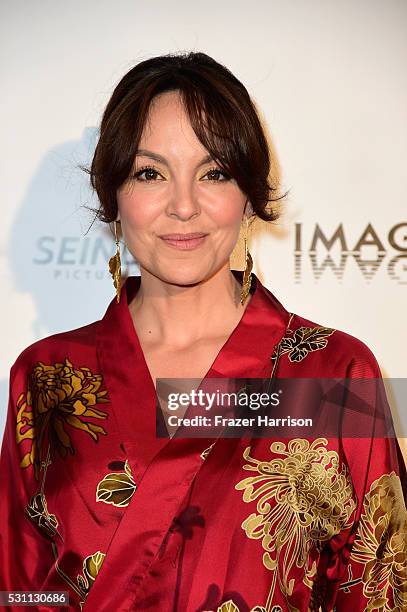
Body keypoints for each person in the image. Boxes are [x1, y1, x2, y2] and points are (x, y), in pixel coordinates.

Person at [0, 51, 406, 612]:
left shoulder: (332, 374)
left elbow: (384, 587)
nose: (184, 205)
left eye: (214, 172)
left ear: (248, 196)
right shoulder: (45, 379)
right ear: (114, 195)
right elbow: (18, 591)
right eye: (150, 173)